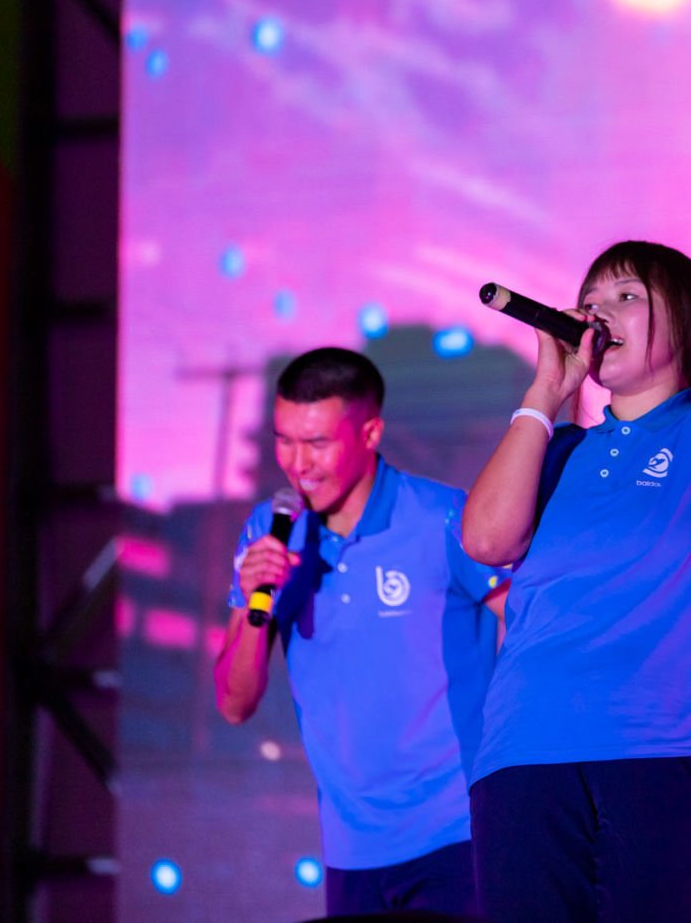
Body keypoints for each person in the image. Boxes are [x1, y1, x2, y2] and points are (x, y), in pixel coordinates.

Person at [461, 0, 691, 921]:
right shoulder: (560, 449)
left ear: (687, 324)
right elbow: (487, 540)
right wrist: (545, 394)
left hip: (670, 749)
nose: (600, 311)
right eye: (592, 298)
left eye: (627, 296)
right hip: (525, 754)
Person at [214, 346, 507, 918]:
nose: (298, 464)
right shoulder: (269, 532)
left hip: (461, 832)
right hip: (352, 849)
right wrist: (256, 604)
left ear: (370, 433)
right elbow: (233, 703)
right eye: (284, 441)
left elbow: (530, 629)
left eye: (317, 443)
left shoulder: (442, 516)